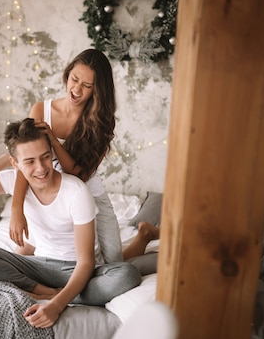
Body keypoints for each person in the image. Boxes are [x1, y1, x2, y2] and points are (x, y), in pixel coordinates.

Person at [0, 118, 141, 328]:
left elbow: (85, 262)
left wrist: (56, 305)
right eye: (29, 161)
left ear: (52, 154)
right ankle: (45, 290)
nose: (40, 168)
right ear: (16, 164)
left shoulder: (76, 191)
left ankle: (52, 293)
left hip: (76, 270)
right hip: (38, 266)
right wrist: (9, 158)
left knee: (127, 275)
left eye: (45, 157)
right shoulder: (13, 179)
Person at [9, 48, 157, 263]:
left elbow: (81, 175)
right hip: (52, 195)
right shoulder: (41, 110)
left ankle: (144, 235)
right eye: (74, 79)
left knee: (114, 262)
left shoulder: (101, 122)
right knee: (20, 254)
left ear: (97, 90)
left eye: (87, 86)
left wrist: (53, 141)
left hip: (90, 194)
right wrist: (16, 209)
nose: (77, 89)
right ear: (67, 74)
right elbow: (25, 163)